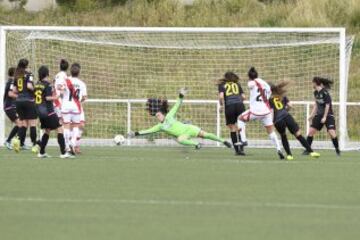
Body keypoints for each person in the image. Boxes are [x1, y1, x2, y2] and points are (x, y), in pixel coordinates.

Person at [129, 88, 232, 149]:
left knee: (206, 135)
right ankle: (197, 145)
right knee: (180, 139)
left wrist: (181, 95)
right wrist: (136, 133)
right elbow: (148, 131)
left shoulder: (170, 115)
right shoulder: (160, 126)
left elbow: (177, 104)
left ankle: (223, 141)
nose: (158, 117)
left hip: (189, 128)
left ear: (163, 113)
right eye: (156, 116)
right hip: (184, 134)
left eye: (159, 115)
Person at [237, 67, 285, 159]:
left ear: (249, 76)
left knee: (240, 119)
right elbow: (268, 93)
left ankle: (243, 140)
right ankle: (279, 149)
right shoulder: (266, 84)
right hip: (266, 112)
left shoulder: (252, 82)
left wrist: (251, 84)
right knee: (271, 131)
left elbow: (250, 85)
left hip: (256, 110)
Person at [269, 81, 320, 160]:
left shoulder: (269, 99)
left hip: (277, 120)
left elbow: (271, 111)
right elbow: (290, 105)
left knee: (283, 136)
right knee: (298, 134)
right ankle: (311, 152)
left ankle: (289, 155)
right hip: (286, 116)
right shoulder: (282, 96)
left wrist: (271, 123)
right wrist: (285, 110)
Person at [34, 66, 72, 158]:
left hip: (40, 111)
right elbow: (47, 98)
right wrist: (57, 97)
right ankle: (63, 153)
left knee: (47, 131)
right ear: (47, 73)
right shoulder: (47, 84)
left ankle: (41, 152)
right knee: (60, 129)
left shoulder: (37, 84)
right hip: (48, 111)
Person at [11, 59, 39, 153]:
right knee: (33, 124)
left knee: (23, 124)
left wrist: (21, 92)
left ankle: (17, 140)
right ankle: (34, 145)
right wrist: (35, 89)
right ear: (26, 66)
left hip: (18, 101)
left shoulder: (16, 75)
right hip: (28, 101)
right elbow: (29, 86)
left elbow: (14, 90)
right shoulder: (29, 74)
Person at [307, 77, 340, 156]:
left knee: (332, 133)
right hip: (319, 115)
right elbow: (316, 105)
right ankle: (307, 150)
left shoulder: (325, 92)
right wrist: (311, 115)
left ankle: (337, 150)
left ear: (315, 83)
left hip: (328, 115)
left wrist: (325, 117)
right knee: (311, 132)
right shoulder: (315, 93)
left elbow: (327, 105)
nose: (312, 84)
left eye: (312, 83)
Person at [61, 63, 87, 155]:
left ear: (70, 72)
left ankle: (67, 146)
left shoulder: (66, 81)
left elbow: (61, 91)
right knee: (76, 126)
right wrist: (79, 100)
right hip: (76, 107)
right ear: (79, 72)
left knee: (66, 126)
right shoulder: (82, 83)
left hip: (66, 106)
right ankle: (73, 143)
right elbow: (84, 97)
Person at [218, 72, 246, 155]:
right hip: (240, 106)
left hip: (230, 106)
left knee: (232, 128)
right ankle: (242, 148)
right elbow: (244, 97)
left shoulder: (222, 85)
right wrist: (239, 102)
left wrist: (221, 105)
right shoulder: (237, 84)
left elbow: (221, 96)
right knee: (240, 127)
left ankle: (237, 150)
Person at [3, 67, 21, 149]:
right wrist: (19, 97)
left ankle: (14, 141)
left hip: (10, 106)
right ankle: (9, 141)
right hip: (9, 107)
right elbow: (10, 94)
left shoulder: (11, 82)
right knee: (20, 123)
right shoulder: (11, 82)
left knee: (21, 123)